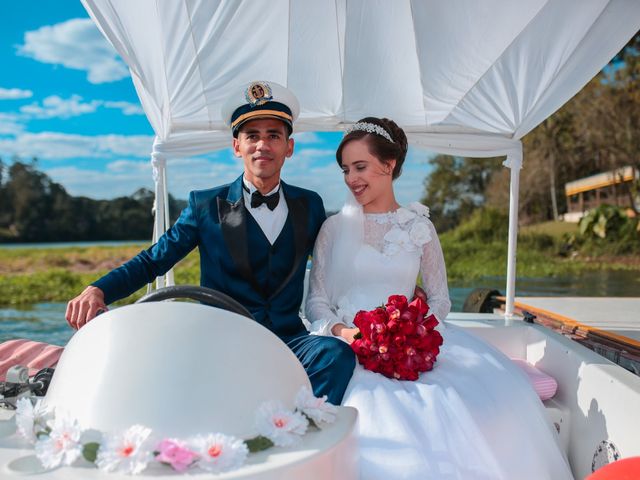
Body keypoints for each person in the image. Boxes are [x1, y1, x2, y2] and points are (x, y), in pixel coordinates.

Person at [305, 117, 574, 479]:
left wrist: (412, 335)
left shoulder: (419, 226)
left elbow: (439, 299)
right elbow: (316, 301)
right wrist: (343, 332)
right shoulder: (333, 228)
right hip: (347, 346)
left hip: (411, 342)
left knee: (470, 402)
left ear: (390, 164)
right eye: (346, 169)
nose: (352, 178)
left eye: (361, 166)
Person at [66, 80, 355, 405]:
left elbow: (339, 260)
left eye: (273, 135)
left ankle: (301, 429)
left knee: (335, 354)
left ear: (289, 147)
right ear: (237, 146)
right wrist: (98, 290)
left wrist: (398, 289)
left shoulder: (310, 204)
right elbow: (154, 260)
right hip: (222, 340)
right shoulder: (205, 205)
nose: (263, 145)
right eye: (252, 136)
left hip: (289, 339)